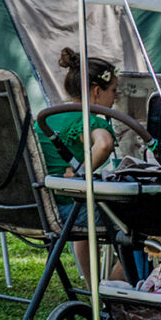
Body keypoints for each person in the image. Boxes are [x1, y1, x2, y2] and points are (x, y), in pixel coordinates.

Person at [38, 48, 121, 286]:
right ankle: (113, 287)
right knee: (142, 220)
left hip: (42, 207)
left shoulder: (48, 118)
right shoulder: (88, 119)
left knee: (84, 201)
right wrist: (80, 173)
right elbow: (103, 144)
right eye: (113, 90)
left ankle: (94, 287)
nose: (115, 97)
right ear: (97, 91)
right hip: (69, 211)